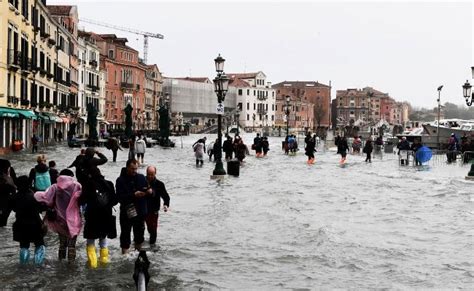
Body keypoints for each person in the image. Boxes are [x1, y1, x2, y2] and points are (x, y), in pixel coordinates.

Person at [34, 169, 82, 263]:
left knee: (62, 243)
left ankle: (61, 262)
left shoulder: (55, 187)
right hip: (74, 219)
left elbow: (46, 199)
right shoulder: (77, 186)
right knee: (72, 244)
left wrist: (36, 194)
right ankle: (71, 264)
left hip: (60, 220)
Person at [80, 171, 117, 268]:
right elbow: (115, 200)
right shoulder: (109, 184)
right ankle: (104, 264)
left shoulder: (88, 184)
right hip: (106, 216)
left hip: (92, 217)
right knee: (103, 241)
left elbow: (82, 200)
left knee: (90, 241)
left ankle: (93, 266)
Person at [10, 176, 46, 265]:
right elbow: (40, 210)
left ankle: (23, 265)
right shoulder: (34, 196)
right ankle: (38, 264)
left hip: (20, 224)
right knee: (39, 244)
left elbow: (13, 209)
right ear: (29, 184)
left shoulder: (14, 197)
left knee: (24, 246)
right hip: (35, 224)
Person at [116, 159, 149, 254]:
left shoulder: (142, 177)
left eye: (136, 169)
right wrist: (133, 195)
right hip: (127, 212)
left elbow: (148, 189)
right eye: (132, 169)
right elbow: (119, 198)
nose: (134, 171)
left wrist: (150, 192)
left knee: (139, 236)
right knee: (125, 235)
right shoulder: (120, 180)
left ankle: (138, 254)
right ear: (127, 168)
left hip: (140, 212)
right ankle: (125, 256)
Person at [145, 166, 170, 246]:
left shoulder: (159, 184)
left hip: (154, 209)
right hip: (143, 208)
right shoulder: (142, 181)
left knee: (153, 229)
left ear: (155, 174)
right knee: (141, 228)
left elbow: (165, 196)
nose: (150, 176)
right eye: (148, 174)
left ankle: (152, 247)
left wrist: (166, 204)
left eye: (152, 174)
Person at [0, 159, 17, 227]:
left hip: (4, 196)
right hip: (8, 197)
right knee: (4, 217)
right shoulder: (10, 170)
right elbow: (15, 182)